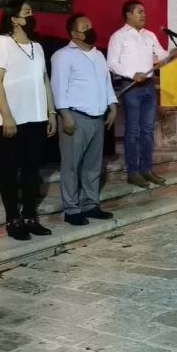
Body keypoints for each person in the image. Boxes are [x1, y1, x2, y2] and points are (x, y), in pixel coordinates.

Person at [0, 0, 57, 241]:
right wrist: (6, 116)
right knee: (8, 170)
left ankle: (29, 216)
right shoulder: (1, 43)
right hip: (12, 120)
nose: (31, 15)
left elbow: (44, 80)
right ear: (14, 18)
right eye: (27, 12)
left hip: (36, 118)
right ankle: (13, 218)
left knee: (31, 170)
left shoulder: (37, 46)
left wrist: (51, 112)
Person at [51, 13, 118, 225]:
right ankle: (71, 209)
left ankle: (90, 204)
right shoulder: (63, 56)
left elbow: (106, 84)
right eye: (85, 26)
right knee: (71, 165)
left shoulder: (99, 55)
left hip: (98, 118)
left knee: (92, 165)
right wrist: (65, 115)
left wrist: (113, 106)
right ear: (74, 34)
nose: (90, 28)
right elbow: (58, 87)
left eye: (91, 24)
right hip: (75, 118)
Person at [107, 0, 176, 189]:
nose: (144, 15)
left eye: (144, 12)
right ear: (128, 15)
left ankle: (147, 169)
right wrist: (131, 74)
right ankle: (133, 172)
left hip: (149, 87)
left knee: (147, 131)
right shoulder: (119, 37)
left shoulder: (150, 35)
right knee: (133, 132)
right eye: (140, 12)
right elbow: (112, 62)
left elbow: (160, 55)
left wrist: (172, 53)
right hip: (131, 88)